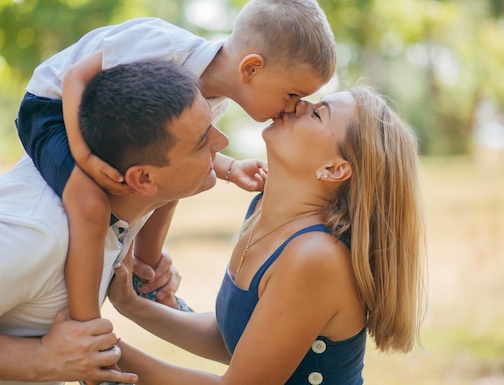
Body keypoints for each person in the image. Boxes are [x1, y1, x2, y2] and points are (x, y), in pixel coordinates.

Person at [15, 0, 336, 331]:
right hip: (53, 107)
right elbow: (76, 77)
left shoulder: (214, 100)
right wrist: (83, 156)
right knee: (90, 204)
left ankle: (147, 272)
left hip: (106, 123)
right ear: (251, 68)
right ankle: (86, 331)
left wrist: (230, 169)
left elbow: (186, 150)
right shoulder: (165, 46)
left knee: (180, 179)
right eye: (293, 95)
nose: (294, 108)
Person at [0, 60, 229, 385]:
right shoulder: (35, 233)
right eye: (202, 141)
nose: (222, 142)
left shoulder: (123, 206)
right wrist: (40, 360)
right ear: (141, 178)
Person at [107, 84, 427, 384]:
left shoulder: (316, 257)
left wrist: (106, 355)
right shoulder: (261, 211)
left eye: (318, 113)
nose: (301, 103)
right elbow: (230, 336)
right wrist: (132, 305)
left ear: (333, 169)